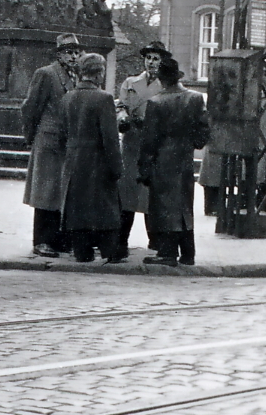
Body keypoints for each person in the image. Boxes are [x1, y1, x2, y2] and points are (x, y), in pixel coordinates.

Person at [140, 58, 210, 266]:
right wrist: (193, 143)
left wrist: (144, 167)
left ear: (161, 80)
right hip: (184, 157)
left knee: (163, 205)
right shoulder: (196, 98)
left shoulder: (156, 102)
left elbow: (149, 140)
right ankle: (188, 253)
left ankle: (167, 252)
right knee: (184, 205)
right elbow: (204, 129)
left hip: (162, 158)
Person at [56, 53, 124, 264]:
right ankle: (110, 251)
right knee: (104, 207)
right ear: (100, 73)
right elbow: (111, 139)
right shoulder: (104, 99)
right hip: (98, 161)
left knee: (77, 208)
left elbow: (61, 133)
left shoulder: (67, 97)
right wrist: (117, 167)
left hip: (74, 160)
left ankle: (81, 251)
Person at [21, 33, 81, 257]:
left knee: (62, 192)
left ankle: (60, 240)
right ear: (59, 55)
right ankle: (42, 241)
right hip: (49, 138)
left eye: (76, 52)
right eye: (68, 52)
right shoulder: (46, 74)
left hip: (67, 141)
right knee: (46, 192)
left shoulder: (76, 76)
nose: (73, 56)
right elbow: (31, 107)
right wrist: (31, 135)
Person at [114, 41, 171, 258]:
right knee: (127, 193)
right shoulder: (130, 82)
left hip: (154, 146)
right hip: (131, 143)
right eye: (149, 58)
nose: (152, 62)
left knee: (152, 194)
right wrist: (123, 117)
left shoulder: (167, 86)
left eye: (156, 58)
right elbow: (120, 105)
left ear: (162, 61)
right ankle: (120, 240)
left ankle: (155, 241)